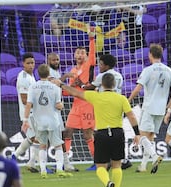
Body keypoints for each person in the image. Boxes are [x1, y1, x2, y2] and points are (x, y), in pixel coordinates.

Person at [52, 73, 140, 187]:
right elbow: (132, 116)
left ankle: (108, 183)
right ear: (114, 85)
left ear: (102, 84)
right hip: (117, 133)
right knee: (117, 166)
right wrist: (137, 133)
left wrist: (61, 84)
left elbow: (75, 93)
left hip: (102, 134)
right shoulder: (121, 98)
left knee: (100, 167)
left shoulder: (95, 96)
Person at [128, 44, 171, 173]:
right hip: (161, 108)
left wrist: (128, 100)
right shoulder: (168, 70)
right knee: (151, 136)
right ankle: (143, 165)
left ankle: (154, 156)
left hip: (149, 106)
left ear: (150, 55)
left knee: (141, 135)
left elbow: (138, 87)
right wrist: (170, 105)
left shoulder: (148, 70)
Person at [21, 64, 72, 178]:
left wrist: (25, 120)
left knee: (42, 145)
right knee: (58, 145)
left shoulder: (33, 87)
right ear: (48, 73)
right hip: (53, 120)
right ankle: (59, 169)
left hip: (39, 121)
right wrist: (62, 106)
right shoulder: (54, 87)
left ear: (37, 73)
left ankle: (43, 171)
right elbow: (58, 105)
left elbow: (29, 104)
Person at [83, 54, 132, 169]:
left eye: (100, 64)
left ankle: (103, 159)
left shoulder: (103, 76)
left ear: (106, 65)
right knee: (118, 131)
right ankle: (122, 159)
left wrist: (81, 85)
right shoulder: (119, 75)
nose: (99, 66)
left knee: (100, 132)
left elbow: (90, 87)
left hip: (105, 106)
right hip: (117, 105)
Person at [64, 29, 96, 170]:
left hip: (87, 104)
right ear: (74, 55)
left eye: (82, 53)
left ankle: (97, 161)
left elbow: (93, 56)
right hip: (76, 106)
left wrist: (91, 39)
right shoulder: (72, 71)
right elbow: (70, 92)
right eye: (77, 53)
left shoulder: (88, 65)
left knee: (87, 134)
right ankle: (66, 163)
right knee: (67, 131)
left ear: (86, 56)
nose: (79, 55)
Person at [47, 52, 79, 172]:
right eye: (53, 60)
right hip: (49, 110)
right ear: (48, 61)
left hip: (56, 110)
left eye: (57, 60)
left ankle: (64, 163)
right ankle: (62, 163)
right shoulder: (48, 72)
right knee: (46, 138)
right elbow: (54, 83)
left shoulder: (56, 72)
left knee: (60, 135)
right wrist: (65, 77)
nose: (56, 62)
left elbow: (59, 88)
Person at [12, 53, 40, 173]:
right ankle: (34, 163)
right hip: (28, 113)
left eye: (32, 63)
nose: (31, 65)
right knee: (38, 137)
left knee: (32, 137)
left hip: (31, 112)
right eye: (28, 63)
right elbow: (24, 100)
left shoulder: (31, 76)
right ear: (23, 64)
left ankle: (14, 157)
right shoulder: (23, 77)